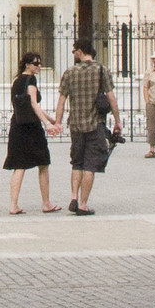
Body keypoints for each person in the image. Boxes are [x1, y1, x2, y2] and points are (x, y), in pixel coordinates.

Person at [52, 38, 121, 216]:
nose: (74, 54)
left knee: (77, 162)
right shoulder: (101, 70)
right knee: (90, 165)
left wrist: (58, 122)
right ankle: (83, 204)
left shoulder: (69, 73)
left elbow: (61, 100)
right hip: (95, 124)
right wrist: (117, 120)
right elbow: (111, 97)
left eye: (74, 51)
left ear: (81, 51)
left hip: (75, 124)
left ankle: (74, 197)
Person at [4, 52, 61, 214]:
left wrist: (51, 120)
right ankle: (46, 203)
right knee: (43, 163)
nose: (39, 66)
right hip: (32, 128)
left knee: (19, 165)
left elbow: (29, 106)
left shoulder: (17, 81)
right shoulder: (31, 80)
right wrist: (47, 124)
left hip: (17, 125)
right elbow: (34, 104)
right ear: (27, 65)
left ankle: (13, 205)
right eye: (36, 63)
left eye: (40, 63)